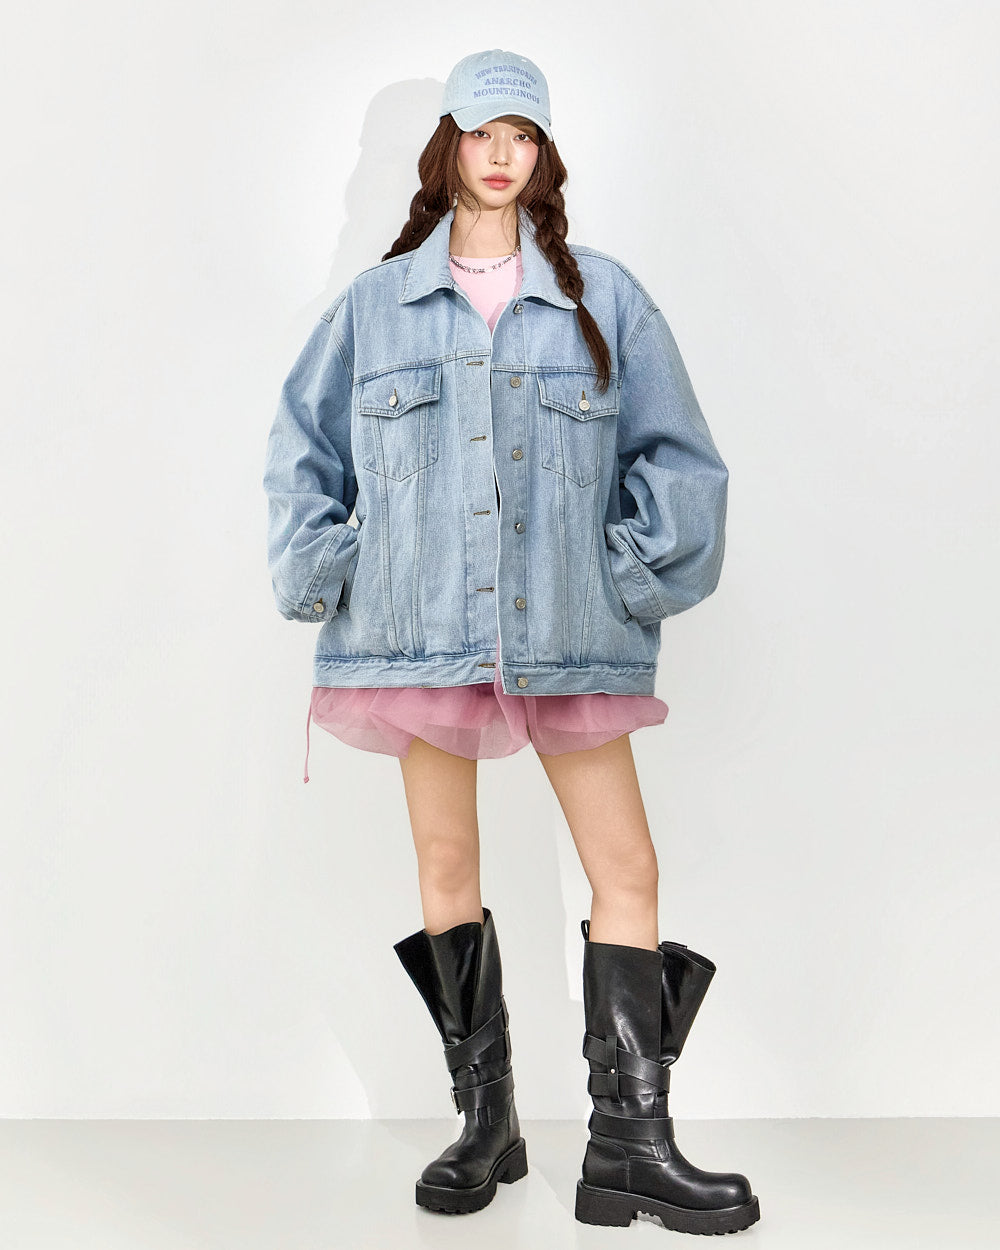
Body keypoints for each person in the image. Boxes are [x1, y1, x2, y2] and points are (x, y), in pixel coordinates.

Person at [262, 47, 760, 1236]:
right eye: (482, 132)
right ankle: (486, 1121)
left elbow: (681, 461)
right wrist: (334, 571)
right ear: (447, 145)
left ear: (543, 154)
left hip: (567, 634)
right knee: (446, 866)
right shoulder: (375, 306)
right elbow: (301, 459)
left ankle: (630, 1142)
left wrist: (626, 575)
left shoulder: (604, 298)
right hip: (422, 638)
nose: (501, 154)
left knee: (626, 866)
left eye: (523, 135)